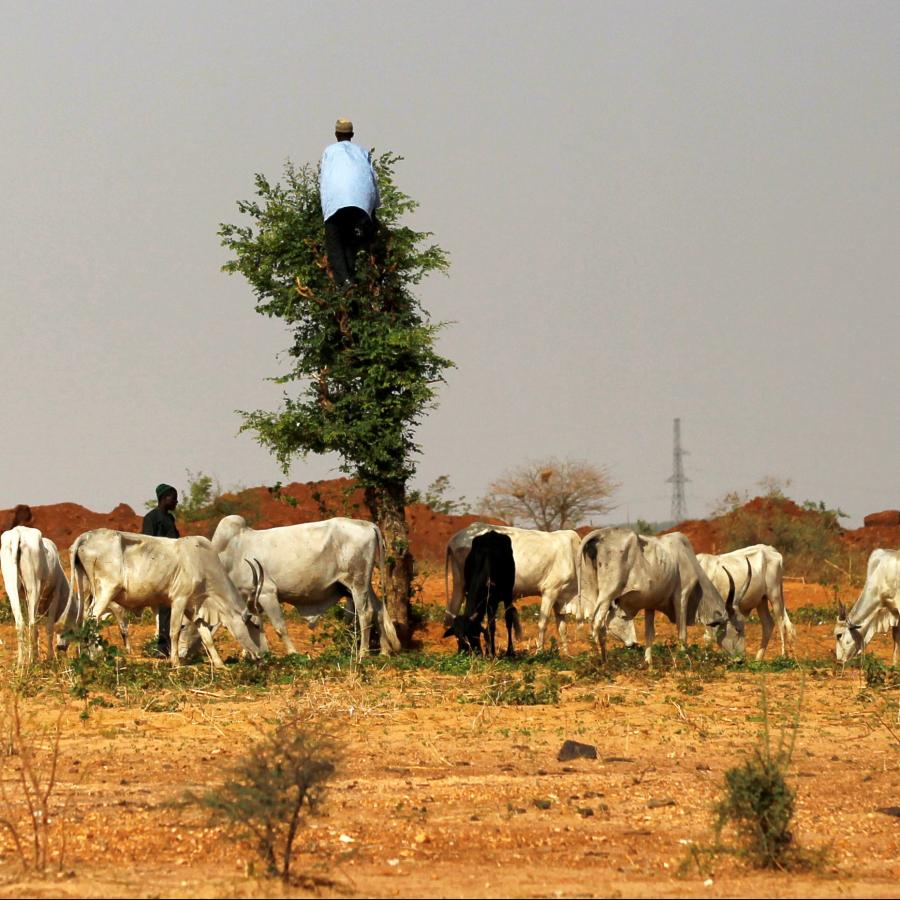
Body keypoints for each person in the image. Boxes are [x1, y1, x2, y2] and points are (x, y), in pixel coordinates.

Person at [319, 118, 381, 286]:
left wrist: (326, 212)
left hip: (336, 202)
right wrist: (372, 213)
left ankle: (345, 281)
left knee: (334, 242)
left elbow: (324, 181)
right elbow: (372, 182)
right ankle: (352, 276)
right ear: (352, 134)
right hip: (361, 206)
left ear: (336, 134)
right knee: (352, 238)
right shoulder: (362, 152)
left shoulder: (329, 152)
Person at [142, 483, 179, 658]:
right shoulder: (151, 518)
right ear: (164, 498)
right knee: (165, 606)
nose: (176, 501)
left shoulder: (170, 519)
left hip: (173, 568)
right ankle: (163, 647)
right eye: (174, 498)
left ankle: (174, 644)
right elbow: (148, 544)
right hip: (159, 569)